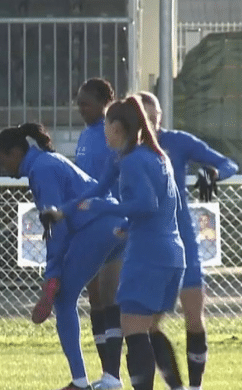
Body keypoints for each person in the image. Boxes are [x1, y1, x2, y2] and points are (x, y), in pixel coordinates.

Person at [50, 95, 186, 390]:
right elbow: (102, 188)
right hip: (172, 254)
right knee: (148, 330)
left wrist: (105, 209)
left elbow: (146, 204)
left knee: (134, 333)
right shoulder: (151, 155)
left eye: (107, 125)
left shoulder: (135, 160)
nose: (103, 132)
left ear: (117, 127)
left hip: (148, 255)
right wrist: (66, 210)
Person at [0, 123, 126, 390]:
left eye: (2, 160)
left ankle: (79, 382)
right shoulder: (47, 161)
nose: (2, 167)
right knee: (112, 304)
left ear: (17, 152)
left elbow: (57, 225)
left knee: (64, 299)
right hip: (118, 225)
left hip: (96, 228)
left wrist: (52, 275)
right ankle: (113, 379)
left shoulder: (41, 170)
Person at [140, 91, 238, 390]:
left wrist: (212, 173)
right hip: (147, 244)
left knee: (194, 317)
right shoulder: (125, 150)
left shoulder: (178, 142)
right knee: (147, 325)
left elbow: (228, 164)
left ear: (160, 118)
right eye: (141, 118)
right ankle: (177, 387)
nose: (148, 124)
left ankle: (195, 387)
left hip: (183, 240)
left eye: (152, 117)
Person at [74, 78, 124, 390]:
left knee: (111, 298)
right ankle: (107, 374)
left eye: (85, 103)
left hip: (114, 224)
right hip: (88, 225)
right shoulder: (84, 135)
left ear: (105, 103)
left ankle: (116, 374)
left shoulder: (114, 136)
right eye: (78, 103)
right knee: (95, 299)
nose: (80, 109)